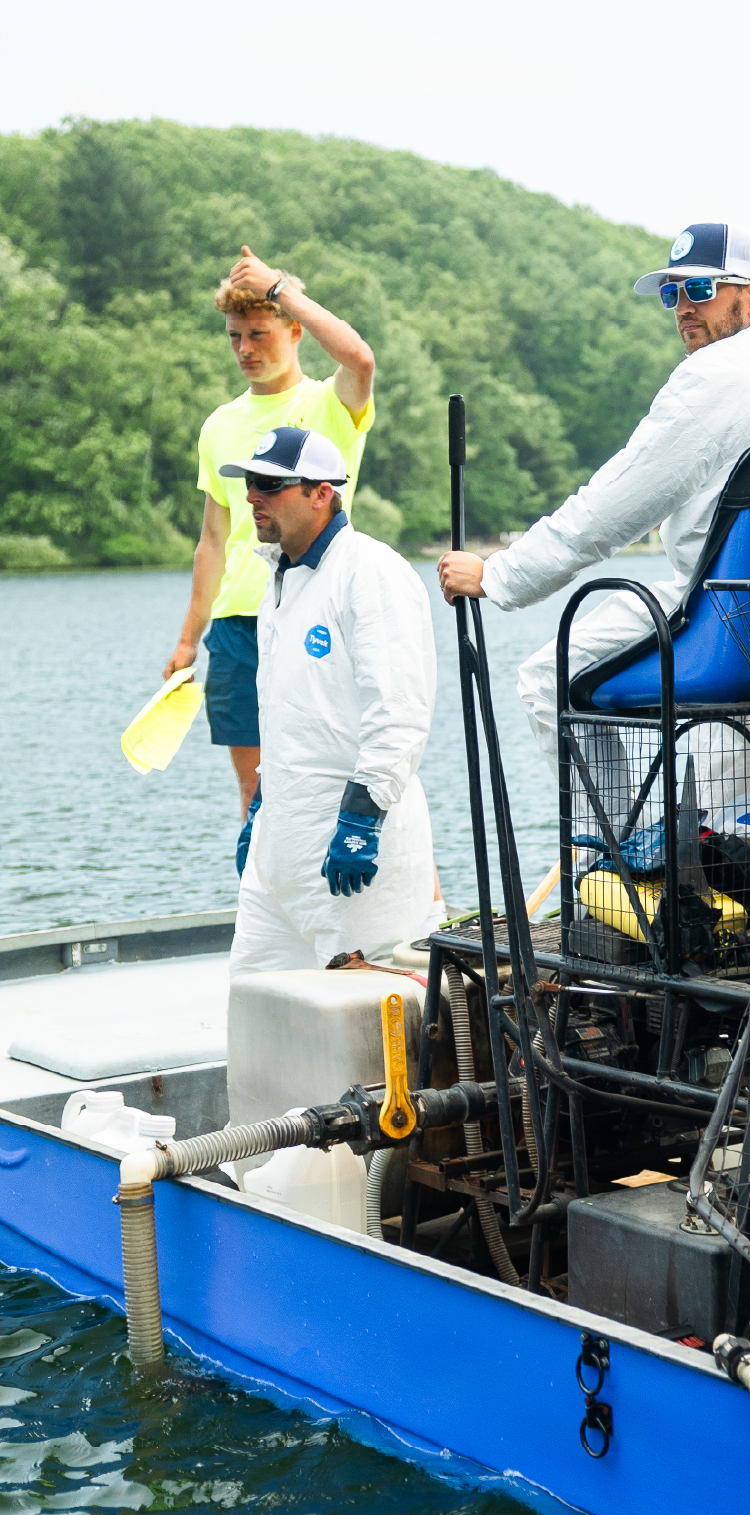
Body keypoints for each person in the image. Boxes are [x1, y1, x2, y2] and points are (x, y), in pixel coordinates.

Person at [436, 223, 750, 769]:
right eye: (671, 293)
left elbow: (609, 510)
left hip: (717, 619)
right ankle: (713, 837)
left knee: (545, 681)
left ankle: (613, 851)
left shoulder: (711, 376)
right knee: (722, 753)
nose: (683, 307)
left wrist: (498, 576)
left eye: (700, 290)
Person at [164, 247, 376, 816]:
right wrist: (189, 638)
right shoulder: (219, 425)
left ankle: (415, 902)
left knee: (349, 773)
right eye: (234, 336)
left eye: (259, 334)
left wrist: (280, 286)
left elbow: (359, 358)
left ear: (295, 330)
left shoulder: (328, 405)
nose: (245, 349)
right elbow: (214, 539)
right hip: (236, 628)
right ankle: (263, 904)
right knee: (258, 791)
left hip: (314, 610)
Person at [225, 427, 436, 977]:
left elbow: (399, 712)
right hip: (279, 860)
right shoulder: (279, 576)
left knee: (369, 1032)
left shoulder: (371, 571)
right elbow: (290, 715)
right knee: (257, 1007)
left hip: (355, 857)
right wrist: (260, 812)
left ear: (322, 492)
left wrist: (362, 821)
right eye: (251, 482)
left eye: (270, 484)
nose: (253, 496)